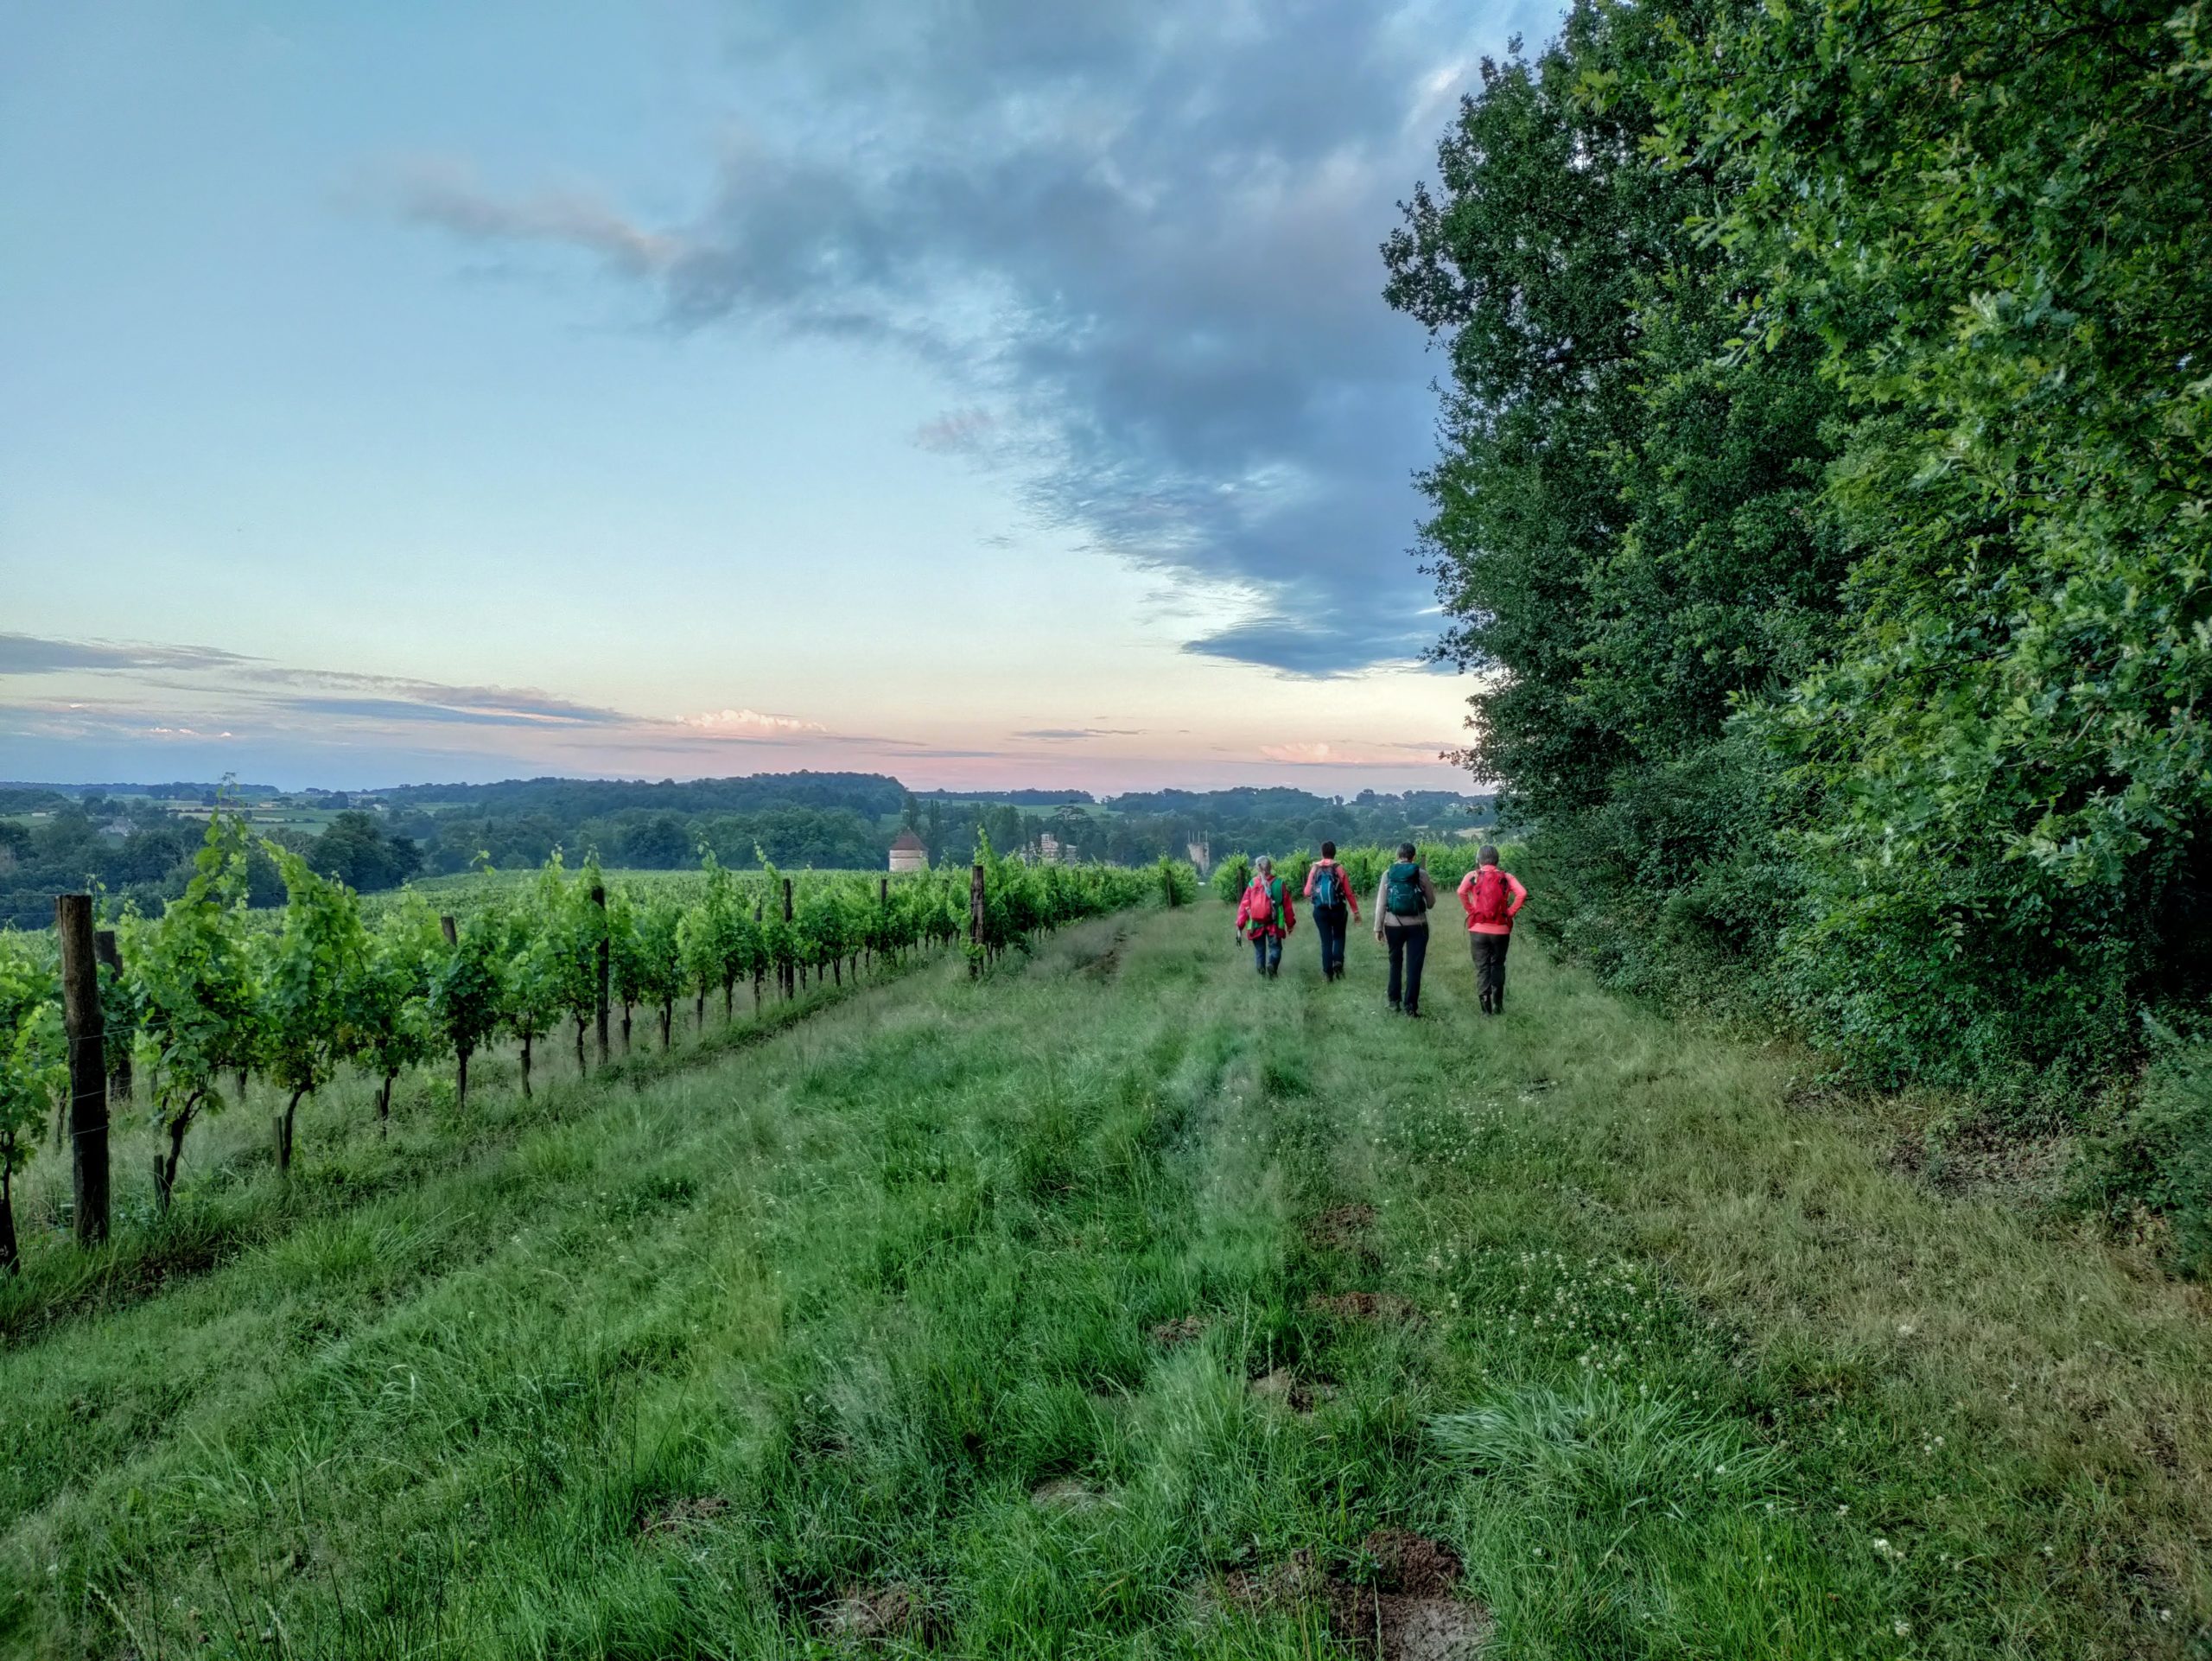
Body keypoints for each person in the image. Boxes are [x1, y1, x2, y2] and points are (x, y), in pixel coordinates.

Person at [1456, 844, 1529, 1015]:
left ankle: (1486, 1011)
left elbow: (1461, 892)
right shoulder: (1506, 877)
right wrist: (1510, 913)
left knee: (1482, 968)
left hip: (1478, 930)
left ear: (1479, 860)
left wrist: (1471, 910)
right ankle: (1499, 1006)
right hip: (1501, 930)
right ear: (1497, 859)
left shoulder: (1472, 876)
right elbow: (1522, 893)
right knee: (1498, 965)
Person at [1372, 843, 1436, 1015]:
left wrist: (1378, 927)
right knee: (1414, 967)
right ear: (1414, 857)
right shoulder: (1421, 874)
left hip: (1393, 924)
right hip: (1418, 925)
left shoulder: (1388, 874)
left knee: (1395, 962)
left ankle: (1394, 1002)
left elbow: (1381, 903)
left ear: (1397, 856)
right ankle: (1411, 1007)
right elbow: (1430, 903)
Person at [1303, 840, 1360, 981]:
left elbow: (1307, 891)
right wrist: (1355, 911)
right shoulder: (1338, 868)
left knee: (1326, 941)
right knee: (1339, 936)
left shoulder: (1315, 868)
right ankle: (1338, 963)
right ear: (1334, 853)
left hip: (1320, 911)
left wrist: (1313, 896)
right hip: (1338, 909)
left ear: (1322, 853)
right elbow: (1348, 892)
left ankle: (1327, 973)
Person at [1235, 854, 1296, 977]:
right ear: (1270, 867)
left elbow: (1244, 905)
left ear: (1258, 868)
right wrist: (1290, 924)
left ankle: (1261, 973)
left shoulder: (1252, 884)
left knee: (1259, 950)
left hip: (1256, 923)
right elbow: (1287, 907)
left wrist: (1240, 925)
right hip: (1274, 923)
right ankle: (1272, 965)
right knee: (1275, 948)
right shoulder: (1280, 884)